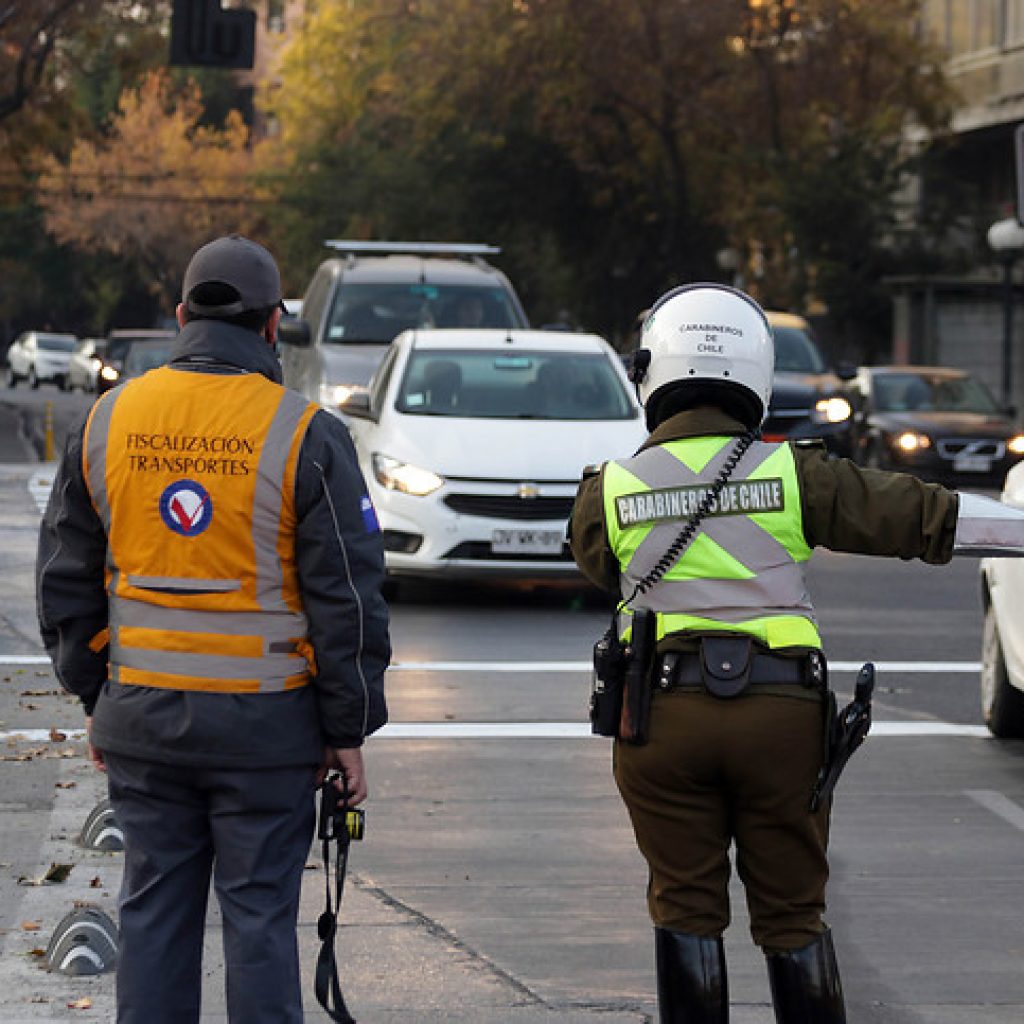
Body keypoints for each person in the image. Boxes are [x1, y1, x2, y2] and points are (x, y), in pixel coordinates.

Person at [569, 282, 982, 1023]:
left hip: (660, 720)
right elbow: (921, 519)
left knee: (686, 908)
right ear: (754, 375)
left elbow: (598, 567)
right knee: (792, 914)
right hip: (782, 717)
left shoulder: (611, 489)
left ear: (652, 372)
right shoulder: (796, 473)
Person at [36, 234, 391, 1024]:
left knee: (154, 913)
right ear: (272, 328)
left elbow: (65, 579)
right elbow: (348, 599)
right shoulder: (307, 434)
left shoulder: (107, 420)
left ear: (179, 316)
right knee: (261, 918)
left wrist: (97, 694)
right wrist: (349, 726)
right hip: (267, 733)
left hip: (145, 721)